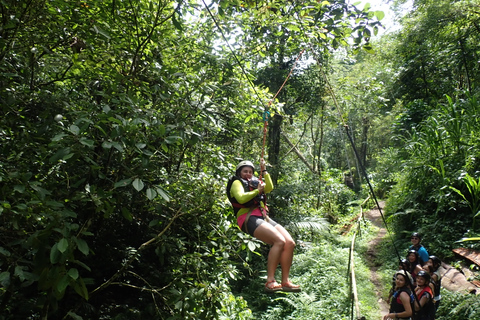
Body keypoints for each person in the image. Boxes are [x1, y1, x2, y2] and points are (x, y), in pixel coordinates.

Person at [226, 159, 300, 293]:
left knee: (289, 243)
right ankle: (270, 281)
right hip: (247, 217)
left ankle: (285, 281)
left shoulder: (255, 182)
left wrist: (264, 170)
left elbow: (269, 187)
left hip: (263, 216)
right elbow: (241, 198)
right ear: (239, 173)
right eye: (245, 171)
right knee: (279, 241)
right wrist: (256, 191)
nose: (248, 174)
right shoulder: (237, 182)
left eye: (250, 171)